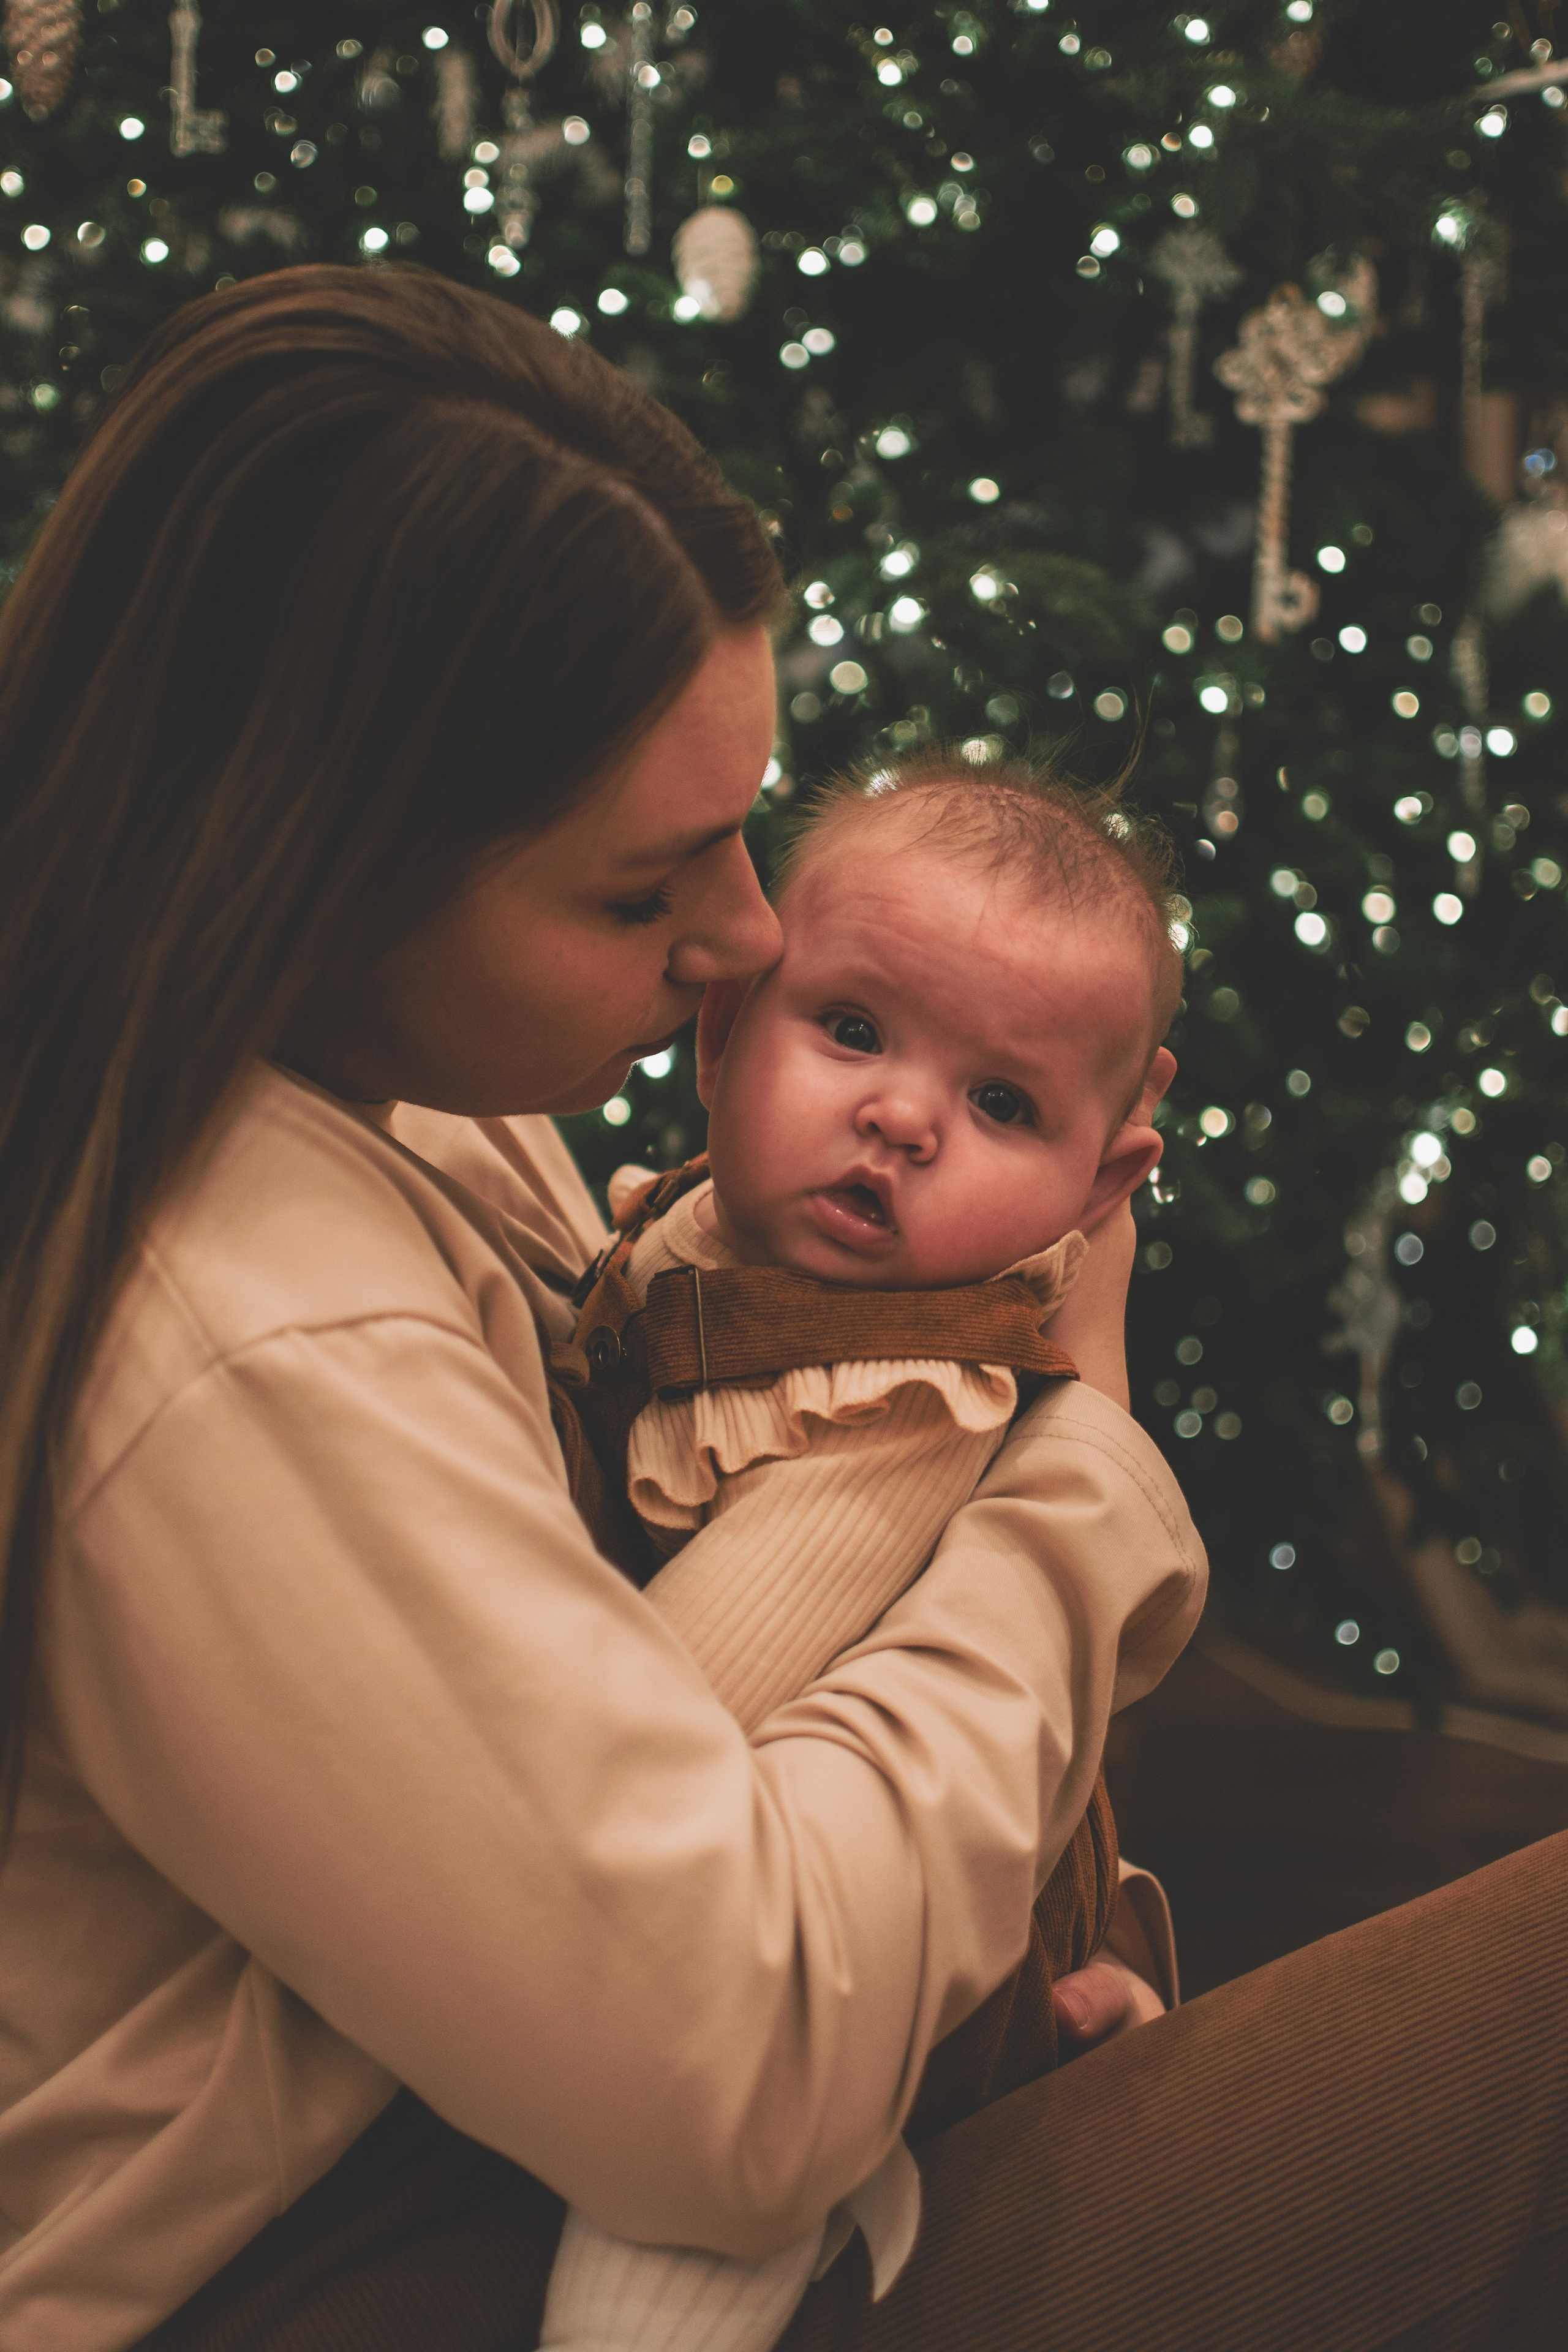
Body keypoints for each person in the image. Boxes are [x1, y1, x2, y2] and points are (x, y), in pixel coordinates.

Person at [0, 268, 1561, 2352]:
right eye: (643, 890)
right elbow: (736, 2082)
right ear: (323, 864)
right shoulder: (240, 1333)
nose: (743, 937)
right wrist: (1082, 1478)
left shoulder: (393, 1107)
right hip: (398, 2260)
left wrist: (993, 1981)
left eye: (744, 831)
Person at [538, 750, 1188, 2352]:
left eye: (1004, 1105)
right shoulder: (676, 1236)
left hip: (884, 2002)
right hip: (787, 1915)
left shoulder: (913, 1400)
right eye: (852, 1030)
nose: (900, 1118)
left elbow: (680, 1709)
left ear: (1098, 1189)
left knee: (668, 2239)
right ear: (721, 1024)